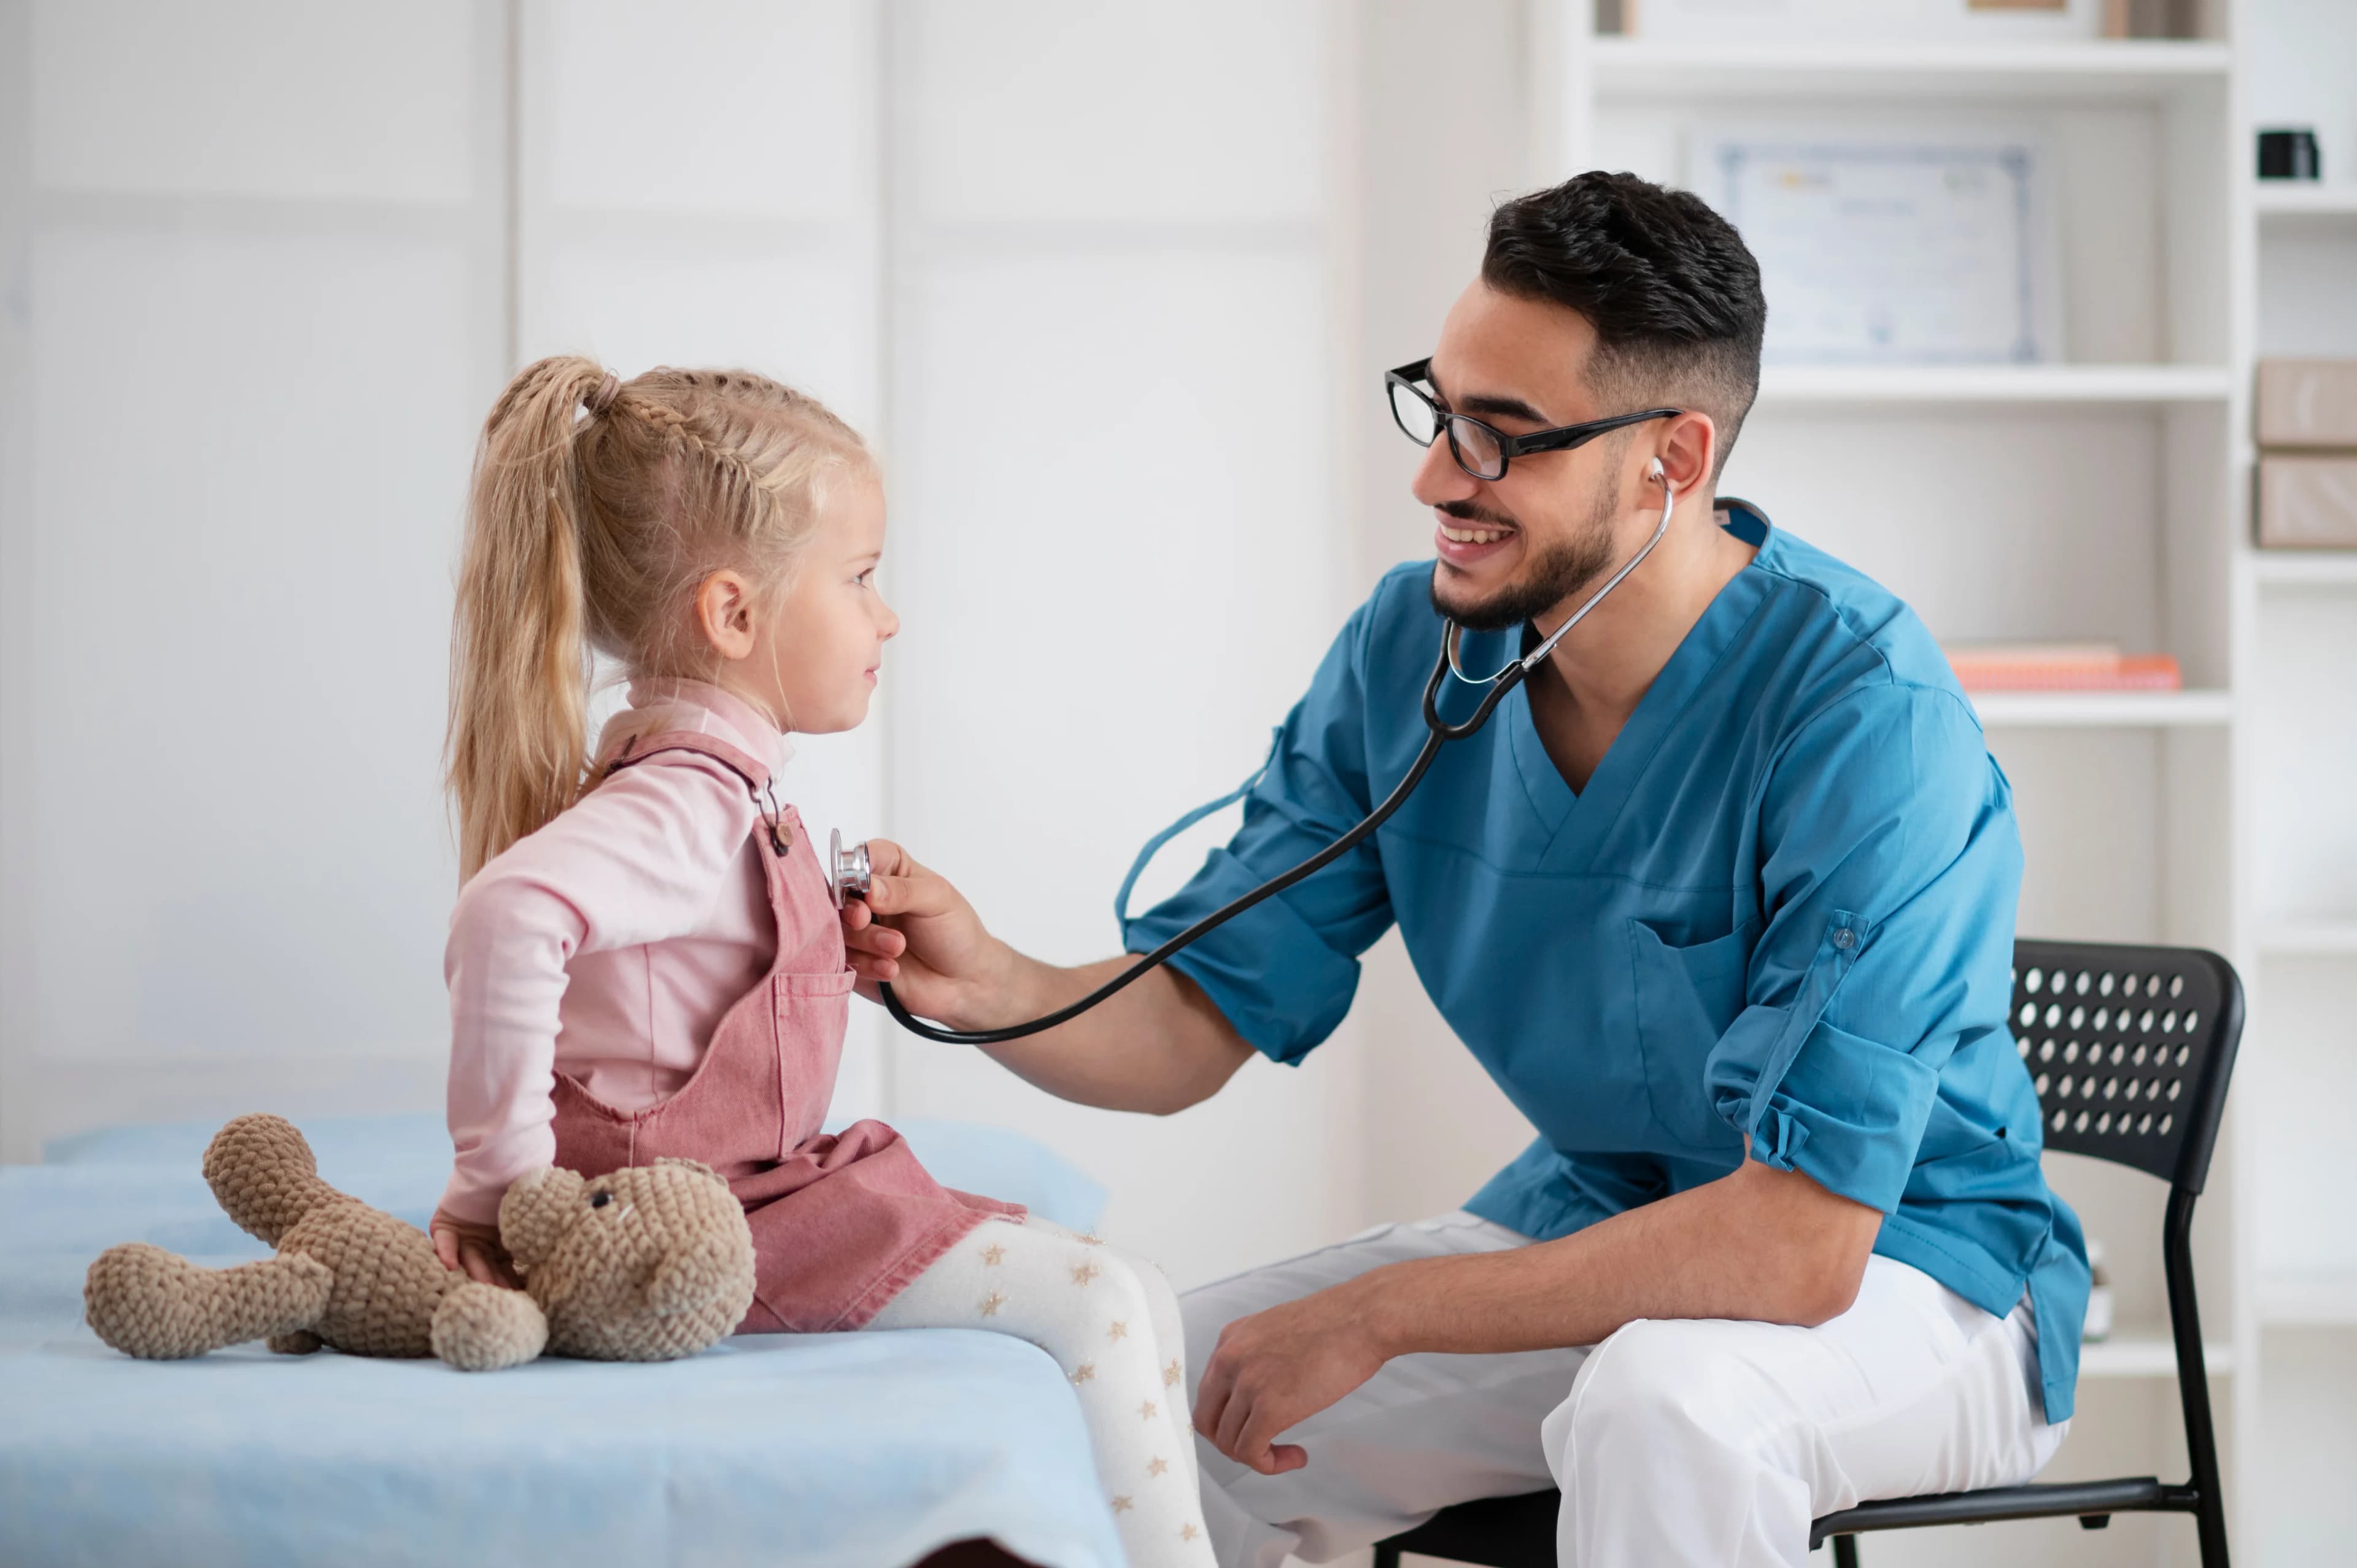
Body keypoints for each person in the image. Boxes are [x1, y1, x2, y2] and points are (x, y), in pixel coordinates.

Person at [837, 171, 2089, 1568]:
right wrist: (988, 980)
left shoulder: (1866, 716)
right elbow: (1197, 1024)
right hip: (1607, 1241)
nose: (1438, 476)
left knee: (1666, 1409)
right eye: (1439, 413)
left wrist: (1389, 1310)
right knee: (1145, 1396)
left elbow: (1799, 1250)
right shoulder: (1416, 650)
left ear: (1671, 459)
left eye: (1503, 439)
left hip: (1918, 1280)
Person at [424, 359, 1212, 1568]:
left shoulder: (719, 790)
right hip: (684, 1223)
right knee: (1109, 1303)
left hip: (752, 1189)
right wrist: (499, 1191)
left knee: (1135, 1294)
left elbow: (667, 1010)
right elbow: (506, 917)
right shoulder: (687, 801)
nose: (885, 616)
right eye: (859, 580)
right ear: (735, 617)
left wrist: (803, 960)